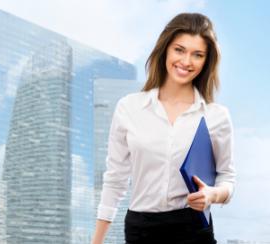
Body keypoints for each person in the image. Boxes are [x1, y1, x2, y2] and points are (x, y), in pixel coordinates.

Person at [91, 13, 236, 244]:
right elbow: (115, 179)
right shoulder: (129, 108)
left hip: (193, 229)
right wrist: (96, 241)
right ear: (165, 49)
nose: (186, 61)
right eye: (179, 50)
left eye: (197, 55)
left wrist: (212, 194)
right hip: (142, 230)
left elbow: (227, 177)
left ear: (206, 61)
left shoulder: (216, 116)